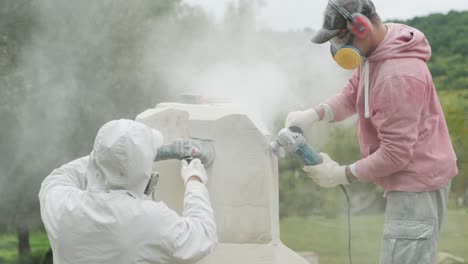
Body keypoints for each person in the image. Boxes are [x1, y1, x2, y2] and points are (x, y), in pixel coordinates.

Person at [285, 0, 458, 263]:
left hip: (416, 186)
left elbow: (396, 154)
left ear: (361, 26)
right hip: (413, 179)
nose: (336, 48)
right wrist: (314, 115)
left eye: (339, 38)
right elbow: (351, 95)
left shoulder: (397, 75)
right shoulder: (377, 51)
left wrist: (341, 174)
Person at [39, 119, 217, 264]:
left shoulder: (62, 208)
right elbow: (203, 234)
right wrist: (194, 180)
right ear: (143, 167)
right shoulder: (149, 220)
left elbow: (60, 176)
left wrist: (108, 157)